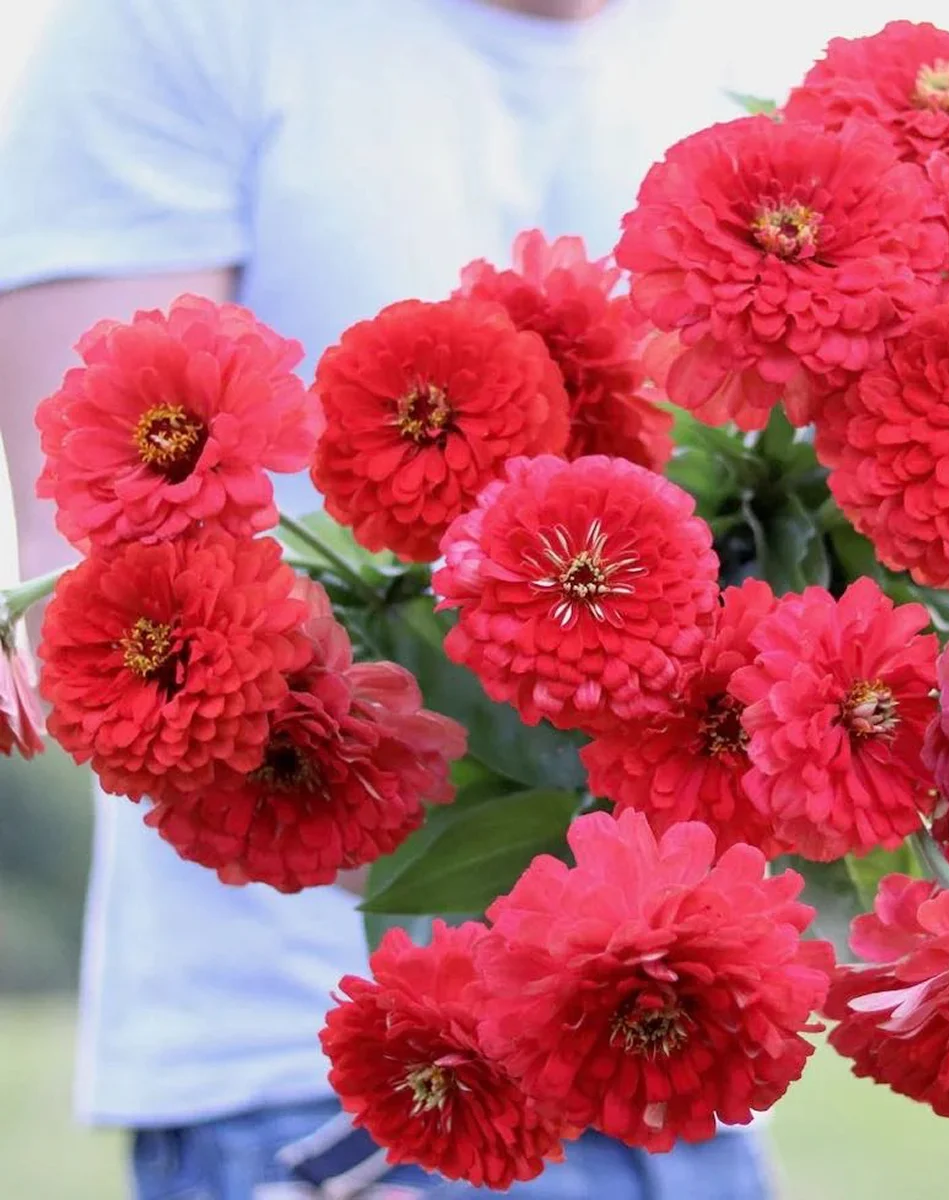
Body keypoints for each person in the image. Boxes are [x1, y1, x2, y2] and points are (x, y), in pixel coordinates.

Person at [0, 1, 795, 1196]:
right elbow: (95, 575)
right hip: (336, 1093)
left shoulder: (700, 73)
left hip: (676, 1051)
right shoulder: (174, 23)